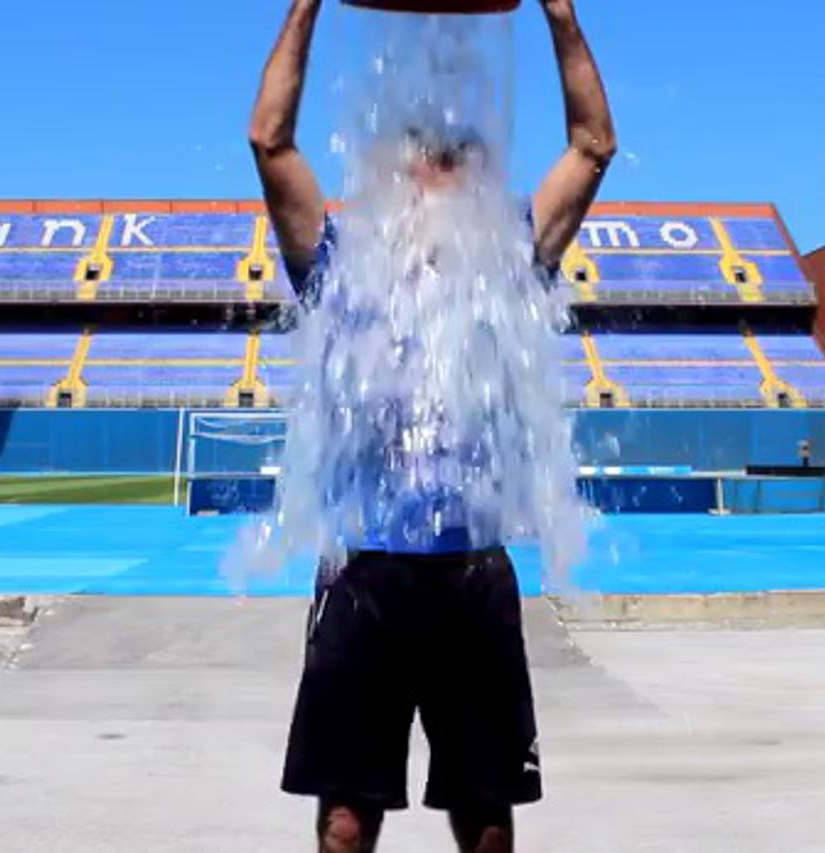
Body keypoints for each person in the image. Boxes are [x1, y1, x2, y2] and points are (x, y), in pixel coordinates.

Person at [250, 1, 615, 850]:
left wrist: (560, 14)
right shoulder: (338, 262)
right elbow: (269, 140)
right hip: (363, 569)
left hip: (471, 571)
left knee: (487, 816)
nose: (439, 177)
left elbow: (593, 146)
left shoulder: (510, 259)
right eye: (423, 163)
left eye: (459, 165)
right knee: (347, 818)